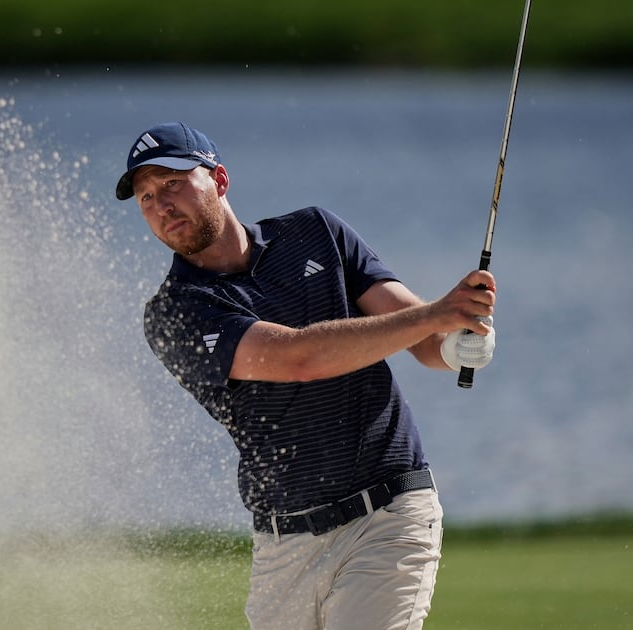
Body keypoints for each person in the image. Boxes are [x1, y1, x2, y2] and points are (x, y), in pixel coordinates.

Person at [115, 121, 496, 630]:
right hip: (283, 549)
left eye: (172, 184)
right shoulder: (174, 312)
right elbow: (297, 359)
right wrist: (435, 315)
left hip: (386, 517)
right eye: (144, 198)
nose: (160, 206)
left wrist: (463, 337)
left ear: (219, 180)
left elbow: (427, 344)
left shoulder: (316, 231)